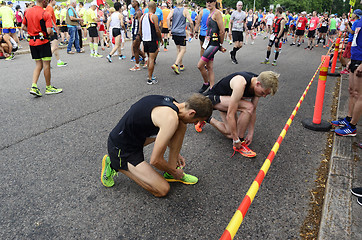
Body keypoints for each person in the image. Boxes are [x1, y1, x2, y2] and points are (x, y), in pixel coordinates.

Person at [100, 94, 213, 197]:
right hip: (121, 149)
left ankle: (171, 169)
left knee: (181, 124)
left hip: (136, 139)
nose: (195, 124)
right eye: (197, 120)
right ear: (192, 112)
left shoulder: (174, 104)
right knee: (162, 190)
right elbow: (155, 161)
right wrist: (175, 172)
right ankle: (114, 164)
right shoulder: (170, 118)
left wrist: (175, 152)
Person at [195, 71, 279, 157]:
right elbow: (230, 114)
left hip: (227, 100)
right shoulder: (240, 83)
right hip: (211, 99)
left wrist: (250, 133)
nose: (264, 96)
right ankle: (241, 144)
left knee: (230, 133)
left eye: (266, 94)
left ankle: (207, 118)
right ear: (258, 84)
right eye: (263, 93)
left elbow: (253, 111)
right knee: (248, 107)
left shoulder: (260, 83)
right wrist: (237, 140)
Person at [22, 0, 62, 97]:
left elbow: (23, 27)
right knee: (46, 64)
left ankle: (34, 86)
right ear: (43, 1)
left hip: (32, 42)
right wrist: (53, 33)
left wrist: (32, 31)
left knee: (38, 64)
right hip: (43, 41)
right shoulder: (45, 13)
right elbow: (49, 31)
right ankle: (48, 87)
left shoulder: (28, 11)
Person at [332, 12, 362, 137]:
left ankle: (352, 127)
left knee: (359, 95)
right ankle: (348, 119)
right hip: (355, 58)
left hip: (361, 60)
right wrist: (351, 60)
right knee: (351, 91)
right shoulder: (359, 20)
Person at [196, 0, 225, 92]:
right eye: (207, 1)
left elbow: (222, 31)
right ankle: (212, 88)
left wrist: (220, 44)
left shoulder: (217, 13)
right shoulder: (209, 13)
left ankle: (206, 83)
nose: (209, 3)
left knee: (200, 65)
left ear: (215, 2)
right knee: (209, 67)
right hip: (208, 42)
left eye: (211, 1)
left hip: (214, 44)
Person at [167, 0, 194, 74]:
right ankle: (175, 64)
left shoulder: (173, 10)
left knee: (178, 49)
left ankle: (181, 65)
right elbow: (191, 22)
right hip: (181, 32)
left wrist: (169, 28)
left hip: (174, 32)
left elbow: (167, 18)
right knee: (183, 50)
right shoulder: (185, 10)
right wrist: (192, 30)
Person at [139, 1, 162, 85]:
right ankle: (150, 78)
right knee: (152, 58)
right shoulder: (154, 16)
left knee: (149, 58)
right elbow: (157, 29)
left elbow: (140, 30)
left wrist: (142, 39)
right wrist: (161, 39)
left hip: (145, 40)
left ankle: (150, 75)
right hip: (152, 40)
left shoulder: (142, 16)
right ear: (154, 8)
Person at [45, 0, 67, 67]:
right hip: (52, 29)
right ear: (51, 1)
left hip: (51, 28)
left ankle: (59, 61)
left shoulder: (49, 7)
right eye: (55, 0)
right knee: (54, 46)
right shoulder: (49, 8)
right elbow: (48, 17)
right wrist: (54, 26)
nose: (56, 2)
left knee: (55, 46)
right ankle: (46, 62)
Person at [341, 10, 362, 75]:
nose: (351, 15)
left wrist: (348, 25)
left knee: (346, 55)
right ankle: (348, 67)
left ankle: (348, 68)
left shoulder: (356, 22)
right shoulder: (357, 22)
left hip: (352, 41)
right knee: (346, 55)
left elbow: (352, 32)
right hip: (351, 40)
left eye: (353, 14)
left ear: (355, 15)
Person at [129, 0, 146, 71]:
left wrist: (139, 34)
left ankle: (137, 65)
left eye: (133, 2)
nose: (132, 3)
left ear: (137, 3)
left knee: (135, 48)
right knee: (136, 48)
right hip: (135, 32)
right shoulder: (136, 12)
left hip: (137, 33)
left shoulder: (139, 12)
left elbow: (140, 23)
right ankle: (146, 59)